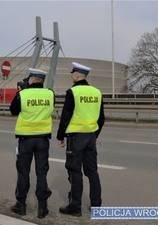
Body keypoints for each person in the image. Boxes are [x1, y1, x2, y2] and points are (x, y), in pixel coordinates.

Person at [56, 62, 105, 217]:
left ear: (77, 74)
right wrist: (95, 135)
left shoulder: (73, 92)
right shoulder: (97, 92)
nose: (72, 76)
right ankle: (96, 207)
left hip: (76, 138)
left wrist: (60, 136)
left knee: (75, 171)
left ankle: (75, 207)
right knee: (92, 172)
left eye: (73, 73)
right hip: (91, 137)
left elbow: (65, 116)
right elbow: (101, 118)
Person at [10, 68, 54, 219]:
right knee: (42, 173)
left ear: (33, 79)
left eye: (28, 79)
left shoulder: (23, 94)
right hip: (42, 139)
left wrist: (19, 93)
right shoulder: (50, 93)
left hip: (26, 139)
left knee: (23, 173)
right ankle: (42, 207)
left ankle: (20, 205)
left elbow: (13, 110)